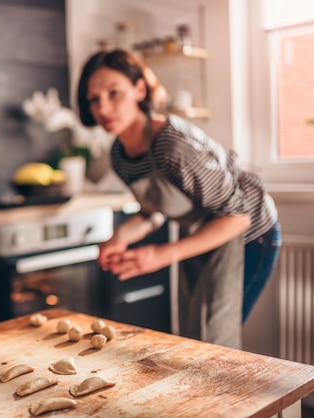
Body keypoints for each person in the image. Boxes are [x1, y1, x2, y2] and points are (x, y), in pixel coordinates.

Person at [76, 49, 281, 349]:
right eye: (94, 98)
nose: (103, 107)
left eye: (114, 93)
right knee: (194, 337)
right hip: (203, 235)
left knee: (215, 344)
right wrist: (120, 237)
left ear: (139, 90)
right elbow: (153, 211)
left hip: (248, 236)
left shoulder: (171, 145)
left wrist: (163, 254)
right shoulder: (120, 155)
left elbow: (238, 216)